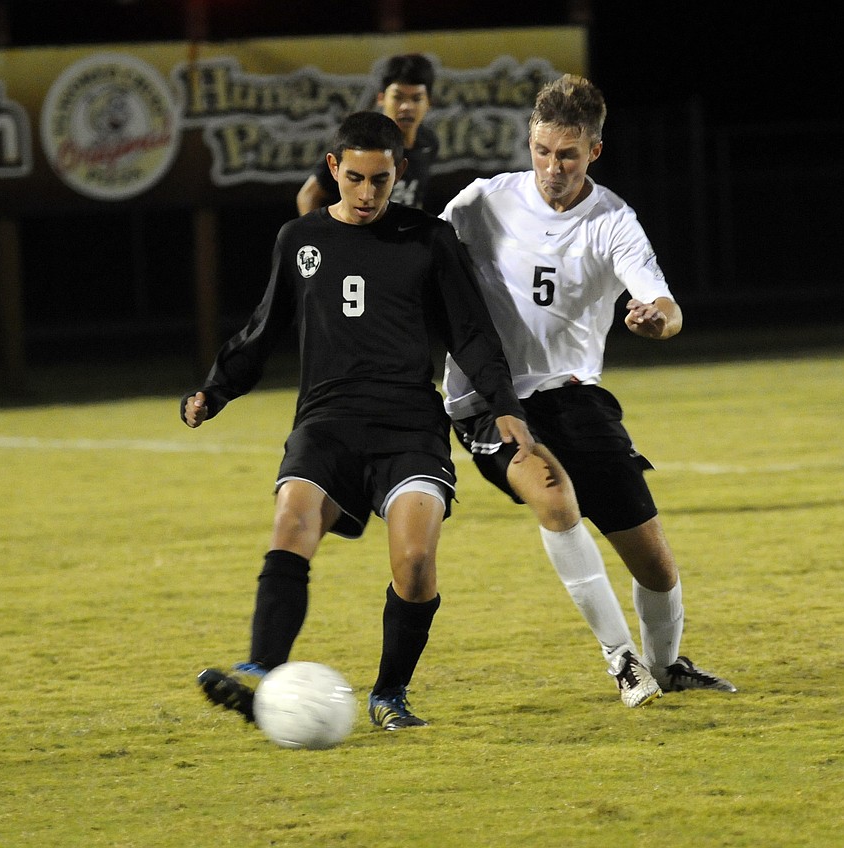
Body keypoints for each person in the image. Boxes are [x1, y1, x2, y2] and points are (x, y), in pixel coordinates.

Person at [182, 111, 536, 731]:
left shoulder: (428, 238)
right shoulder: (299, 238)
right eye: (355, 178)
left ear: (399, 172)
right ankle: (261, 671)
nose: (368, 194)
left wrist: (504, 404)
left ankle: (389, 694)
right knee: (292, 518)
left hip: (407, 424)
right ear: (332, 169)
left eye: (381, 179)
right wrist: (216, 391)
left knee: (417, 561)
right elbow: (264, 329)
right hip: (327, 419)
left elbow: (469, 332)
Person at [441, 74, 736, 707]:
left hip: (574, 397)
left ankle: (664, 666)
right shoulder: (481, 202)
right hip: (487, 399)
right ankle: (620, 658)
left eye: (567, 155)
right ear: (530, 141)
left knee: (655, 565)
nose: (551, 167)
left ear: (594, 151)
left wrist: (656, 318)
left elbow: (664, 303)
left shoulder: (612, 220)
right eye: (542, 151)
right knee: (553, 495)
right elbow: (418, 267)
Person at [296, 53, 437, 214]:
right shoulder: (359, 142)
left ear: (429, 102)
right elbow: (308, 195)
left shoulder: (429, 143)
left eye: (416, 98)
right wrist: (316, 238)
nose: (406, 106)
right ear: (381, 98)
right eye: (398, 97)